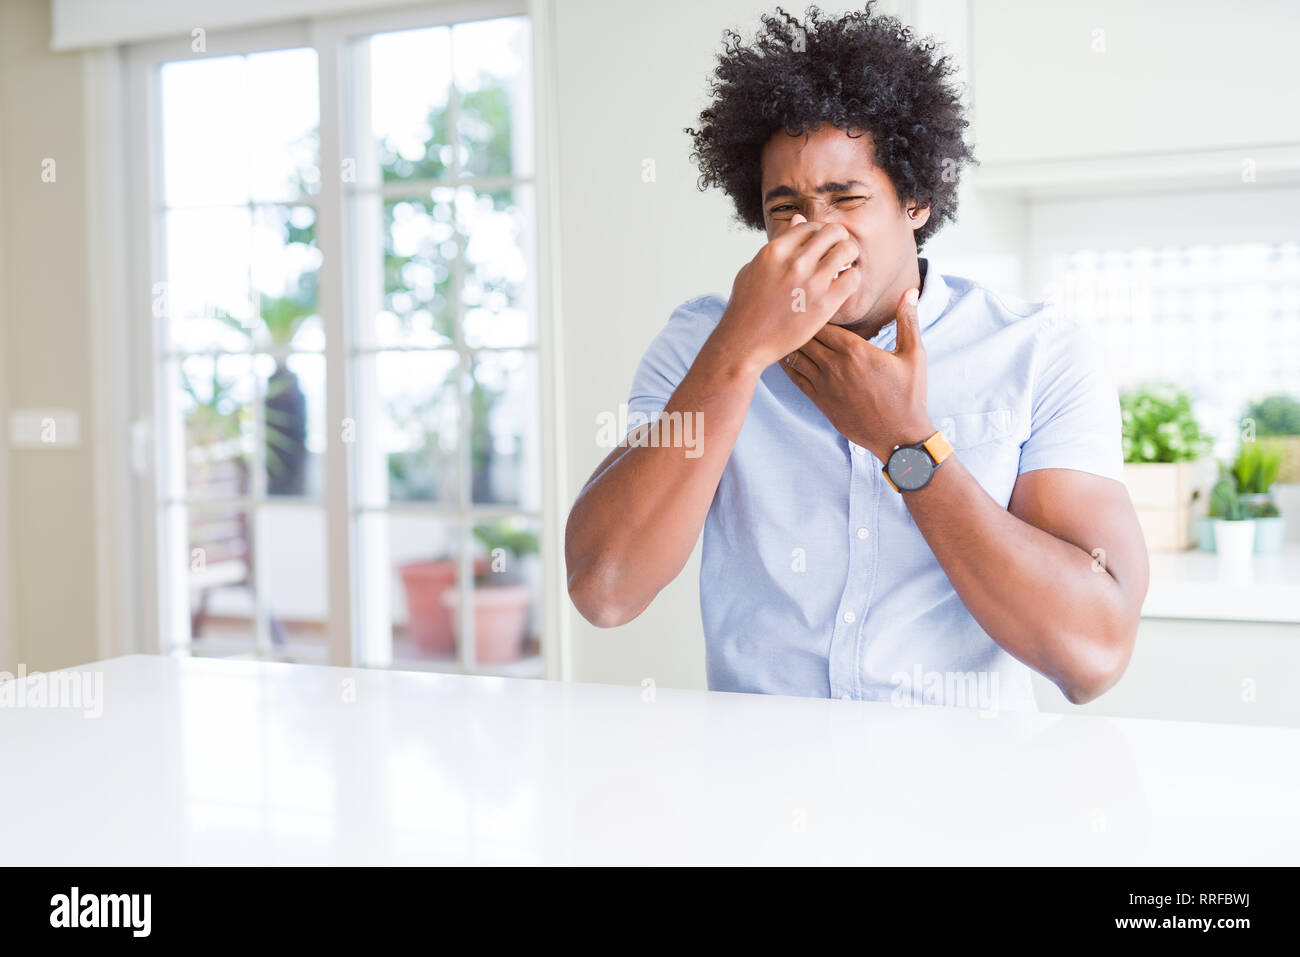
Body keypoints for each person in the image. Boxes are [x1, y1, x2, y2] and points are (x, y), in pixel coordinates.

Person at [565, 3, 1148, 711]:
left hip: (968, 795)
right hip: (758, 791)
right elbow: (605, 588)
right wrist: (738, 353)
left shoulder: (1038, 354)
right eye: (787, 208)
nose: (817, 233)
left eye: (847, 198)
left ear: (917, 199)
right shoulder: (700, 345)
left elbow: (1093, 653)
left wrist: (906, 444)